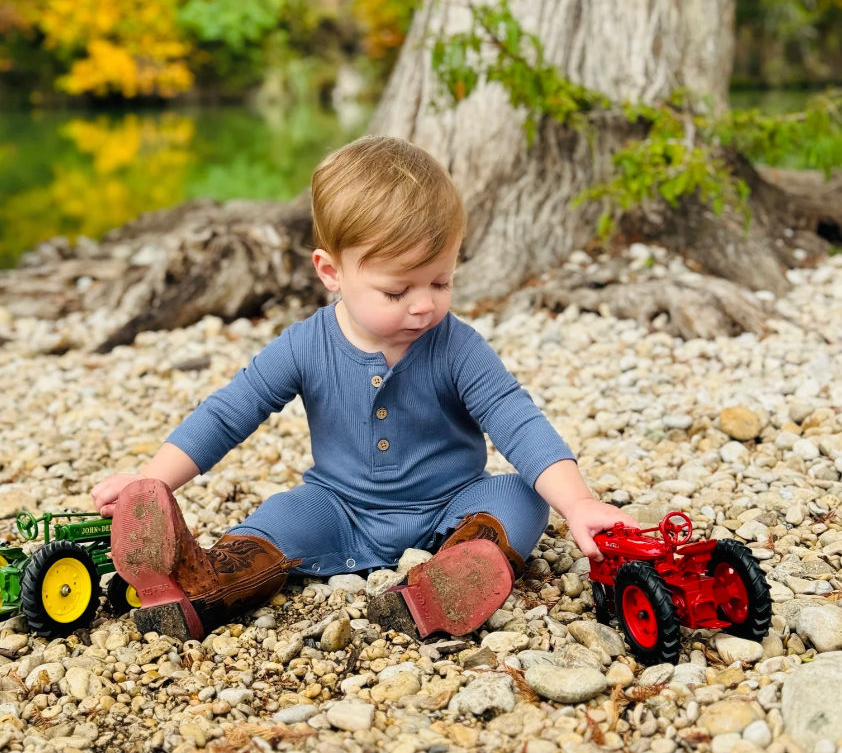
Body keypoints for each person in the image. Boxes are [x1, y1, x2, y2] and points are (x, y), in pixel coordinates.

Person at [94, 137, 635, 641]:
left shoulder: (457, 346)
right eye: (397, 290)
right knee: (282, 514)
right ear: (332, 272)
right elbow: (228, 413)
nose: (423, 304)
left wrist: (579, 502)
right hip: (339, 507)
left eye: (441, 282)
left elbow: (516, 419)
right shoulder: (305, 345)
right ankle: (205, 587)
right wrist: (151, 483)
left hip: (452, 504)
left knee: (520, 495)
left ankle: (448, 580)